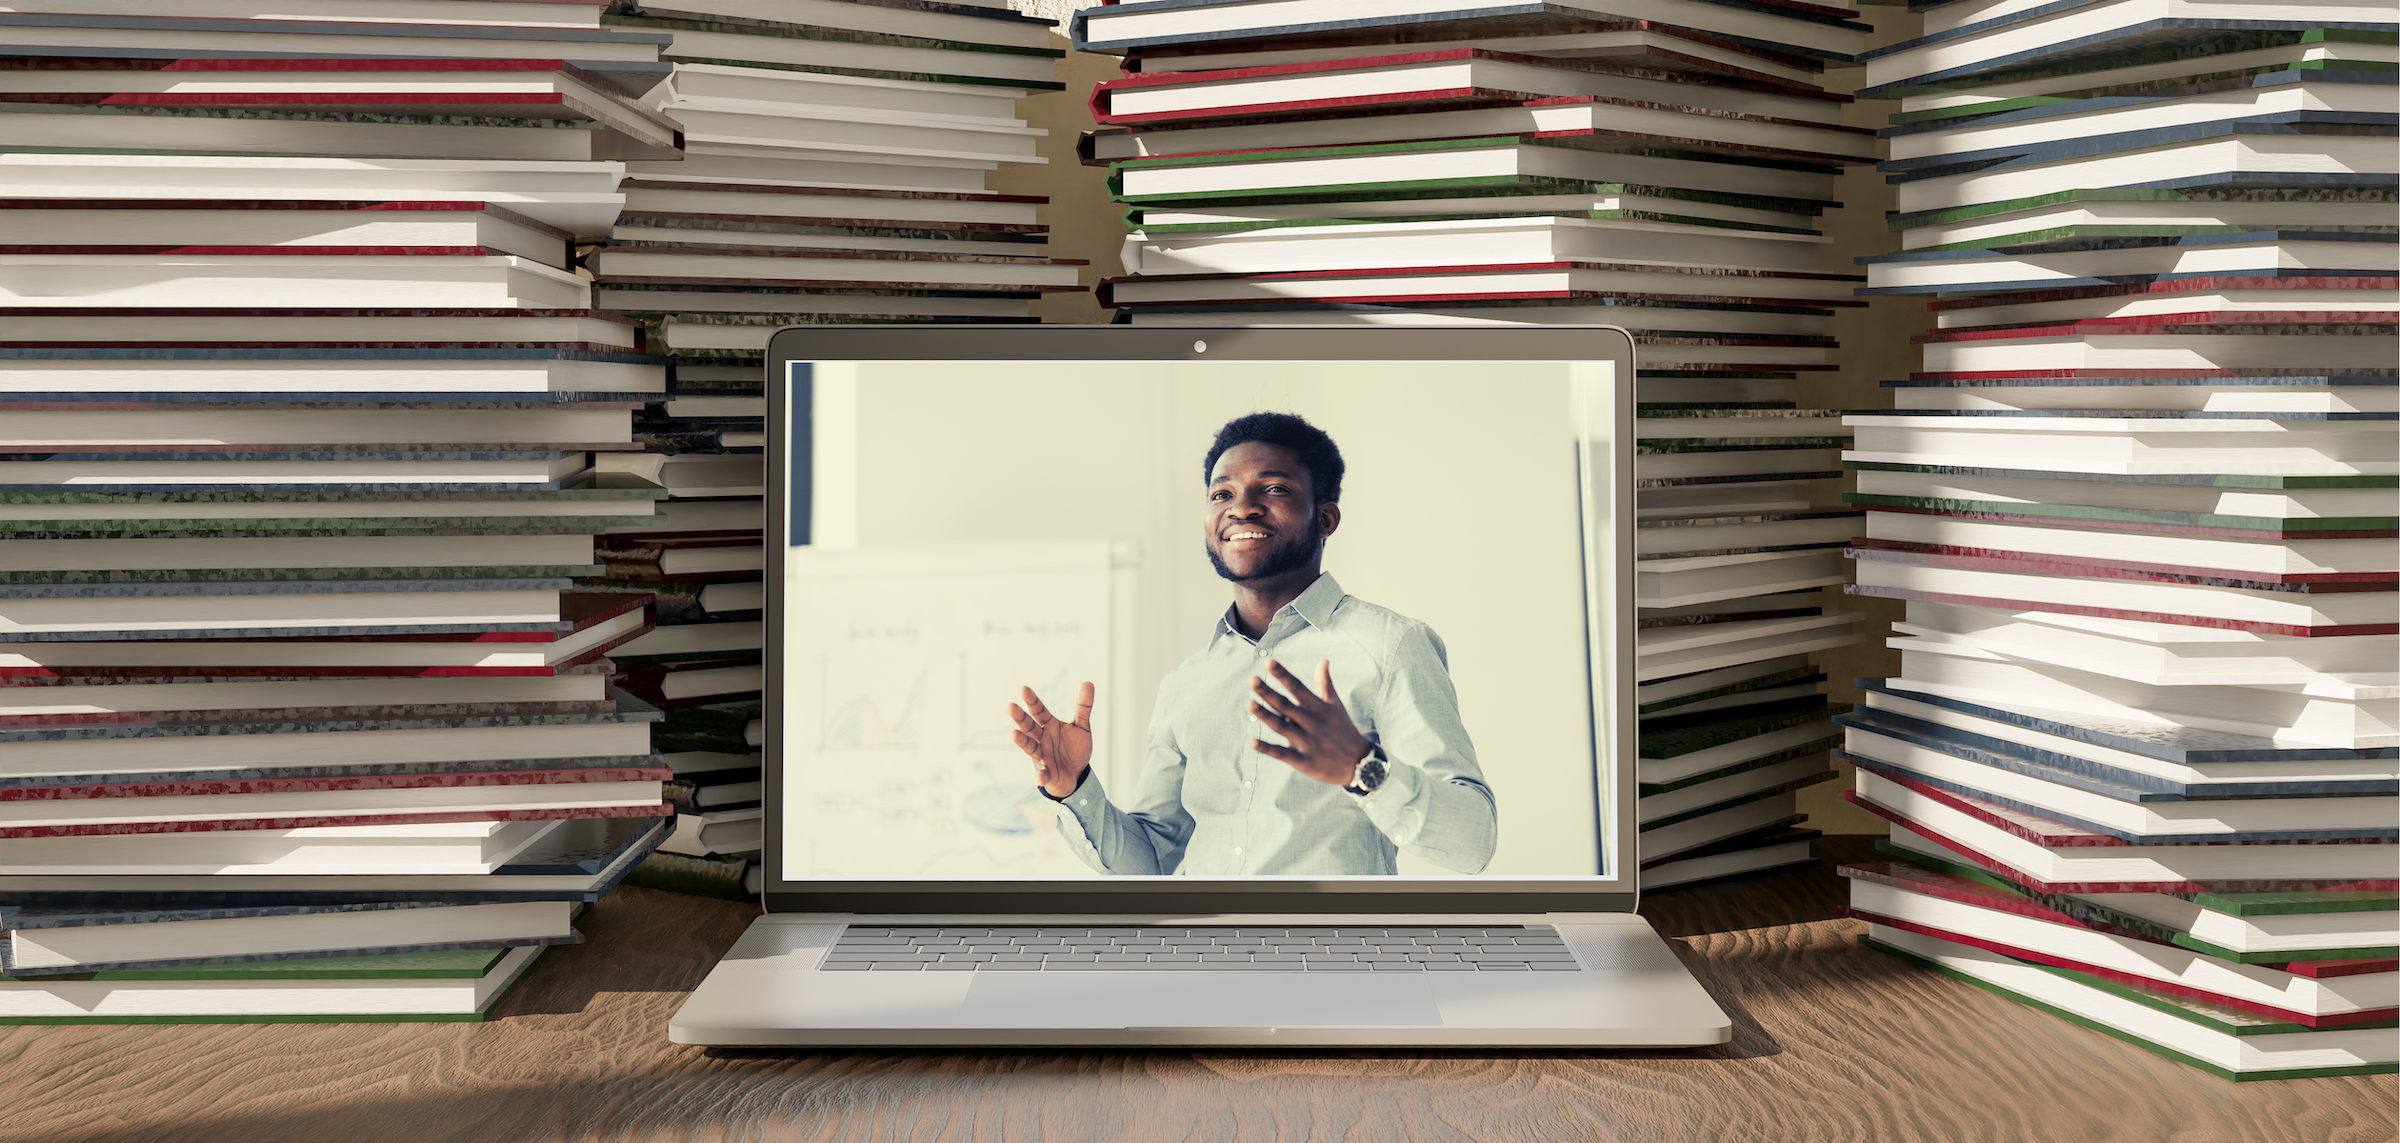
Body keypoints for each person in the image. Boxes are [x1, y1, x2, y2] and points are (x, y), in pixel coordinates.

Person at [1006, 412, 1497, 876]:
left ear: (1325, 519)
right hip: (1205, 956)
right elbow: (1153, 863)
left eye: (1274, 488)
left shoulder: (1391, 646)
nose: (1241, 507)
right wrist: (1074, 790)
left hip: (1330, 956)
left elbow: (1473, 843)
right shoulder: (1186, 683)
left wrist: (1360, 766)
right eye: (1222, 494)